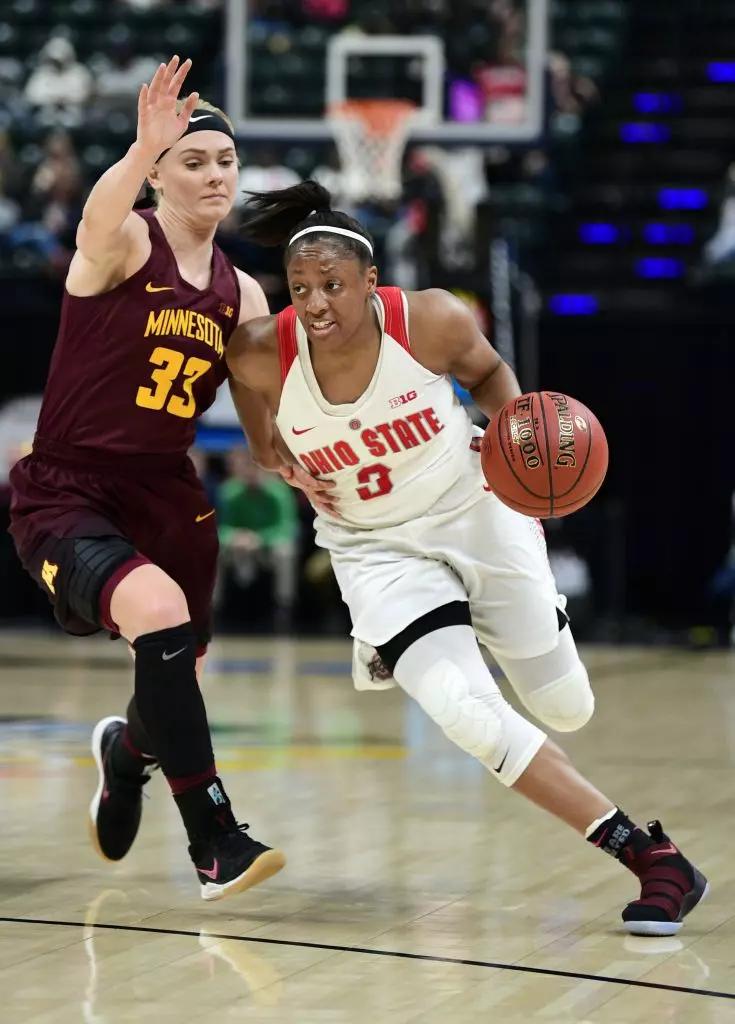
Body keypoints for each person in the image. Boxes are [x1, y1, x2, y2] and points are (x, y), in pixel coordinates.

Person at [225, 179, 708, 937]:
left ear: (371, 283)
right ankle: (652, 858)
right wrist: (277, 459)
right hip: (373, 545)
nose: (316, 304)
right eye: (300, 289)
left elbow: (487, 376)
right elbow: (258, 429)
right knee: (465, 715)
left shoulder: (432, 321)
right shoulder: (260, 353)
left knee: (564, 707)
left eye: (332, 287)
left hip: (473, 510)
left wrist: (512, 432)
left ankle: (493, 612)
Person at [8, 58, 325, 900]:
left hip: (165, 495)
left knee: (177, 660)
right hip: (66, 489)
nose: (215, 174)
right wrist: (139, 148)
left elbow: (267, 424)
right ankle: (214, 840)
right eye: (193, 161)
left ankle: (127, 754)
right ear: (156, 173)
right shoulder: (124, 240)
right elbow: (93, 214)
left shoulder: (243, 295)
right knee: (159, 614)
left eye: (224, 161)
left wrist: (296, 462)